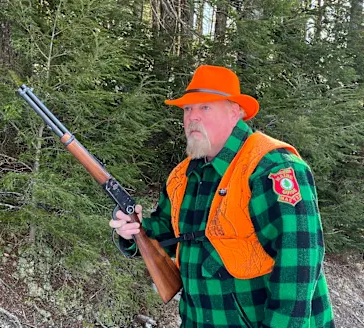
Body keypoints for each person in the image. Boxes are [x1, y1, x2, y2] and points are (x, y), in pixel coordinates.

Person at [110, 65, 335, 328]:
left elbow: (299, 266)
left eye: (205, 107)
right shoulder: (183, 176)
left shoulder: (272, 168)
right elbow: (166, 234)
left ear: (234, 113)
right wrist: (133, 230)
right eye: (187, 109)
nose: (192, 117)